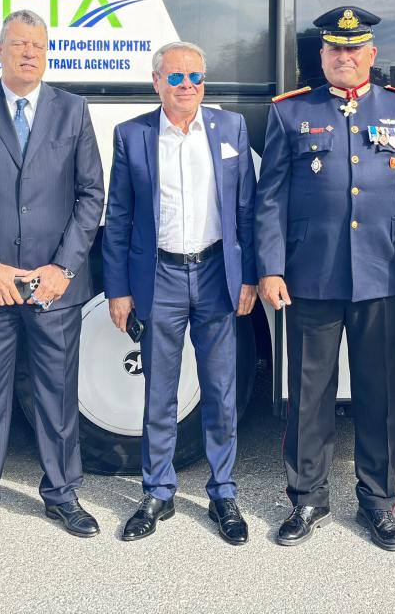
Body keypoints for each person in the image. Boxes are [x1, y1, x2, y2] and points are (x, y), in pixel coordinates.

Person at [255, 6, 395, 551]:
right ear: (323, 55)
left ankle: (378, 501)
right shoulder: (291, 111)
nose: (344, 57)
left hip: (381, 273)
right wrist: (270, 267)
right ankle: (307, 498)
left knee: (380, 395)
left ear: (371, 55)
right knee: (310, 394)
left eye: (354, 49)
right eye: (335, 48)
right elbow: (270, 199)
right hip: (311, 274)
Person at [0, 9, 105, 552]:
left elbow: (91, 196)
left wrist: (63, 268)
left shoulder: (73, 110)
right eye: (19, 44)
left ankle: (63, 494)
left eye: (38, 46)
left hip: (54, 286)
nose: (29, 53)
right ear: (0, 50)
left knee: (58, 394)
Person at [101, 42, 258, 544]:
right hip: (160, 277)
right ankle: (158, 492)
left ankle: (223, 492)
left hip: (215, 273)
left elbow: (247, 209)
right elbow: (119, 218)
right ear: (157, 82)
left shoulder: (230, 128)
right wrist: (118, 290)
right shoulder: (132, 135)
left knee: (220, 391)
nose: (187, 85)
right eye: (175, 77)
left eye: (195, 76)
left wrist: (249, 276)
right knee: (160, 392)